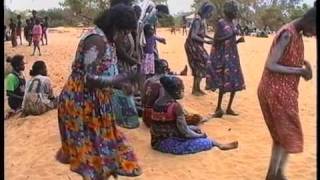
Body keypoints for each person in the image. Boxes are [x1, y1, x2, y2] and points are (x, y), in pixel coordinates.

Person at [55, 5, 142, 179]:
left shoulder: (107, 41)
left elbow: (101, 76)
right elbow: (89, 79)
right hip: (80, 103)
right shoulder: (96, 41)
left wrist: (120, 85)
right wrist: (121, 78)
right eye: (124, 32)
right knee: (92, 157)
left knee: (103, 153)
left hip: (95, 102)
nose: (125, 37)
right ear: (115, 26)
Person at [257, 6, 315, 180]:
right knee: (285, 134)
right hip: (275, 92)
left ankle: (276, 173)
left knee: (282, 136)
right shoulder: (288, 34)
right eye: (314, 30)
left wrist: (305, 67)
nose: (313, 34)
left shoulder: (295, 32)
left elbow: (290, 59)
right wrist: (299, 71)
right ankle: (275, 174)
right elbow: (271, 64)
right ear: (310, 22)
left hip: (282, 92)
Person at [149, 75, 238, 155]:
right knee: (204, 140)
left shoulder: (157, 103)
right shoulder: (175, 107)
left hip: (156, 140)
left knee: (196, 129)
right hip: (167, 143)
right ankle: (217, 144)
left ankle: (214, 142)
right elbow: (185, 132)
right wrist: (200, 136)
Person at [206, 1, 246, 118]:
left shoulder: (232, 23)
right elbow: (217, 40)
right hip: (223, 57)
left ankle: (229, 108)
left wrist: (238, 41)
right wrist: (231, 35)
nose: (236, 13)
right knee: (224, 81)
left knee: (235, 81)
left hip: (233, 56)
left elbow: (230, 41)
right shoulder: (221, 23)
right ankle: (218, 108)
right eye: (235, 11)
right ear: (230, 11)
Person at [142, 59, 204, 127]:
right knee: (191, 117)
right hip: (154, 118)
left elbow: (143, 100)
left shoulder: (147, 81)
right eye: (167, 68)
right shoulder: (162, 84)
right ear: (164, 69)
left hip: (145, 115)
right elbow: (163, 104)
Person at [184, 2, 215, 96]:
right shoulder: (198, 20)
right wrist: (206, 41)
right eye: (210, 12)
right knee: (200, 65)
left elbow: (201, 34)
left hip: (197, 46)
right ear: (206, 11)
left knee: (200, 65)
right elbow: (193, 35)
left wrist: (210, 39)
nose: (211, 14)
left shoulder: (202, 20)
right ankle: (195, 89)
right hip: (193, 46)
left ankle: (197, 88)